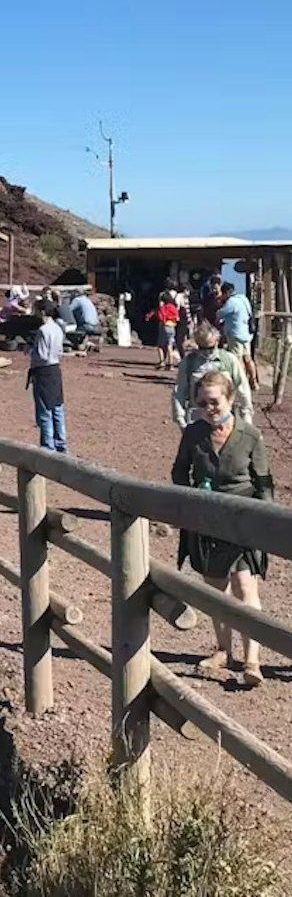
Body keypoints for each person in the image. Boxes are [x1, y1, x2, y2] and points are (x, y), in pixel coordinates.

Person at [170, 370, 273, 687]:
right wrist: (190, 502)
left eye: (214, 401)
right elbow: (179, 472)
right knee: (216, 589)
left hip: (243, 522)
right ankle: (223, 650)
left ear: (230, 399)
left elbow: (264, 483)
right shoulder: (193, 434)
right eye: (202, 403)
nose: (209, 408)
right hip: (207, 523)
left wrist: (264, 521)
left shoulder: (250, 435)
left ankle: (252, 660)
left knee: (244, 587)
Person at [172, 321, 253, 428]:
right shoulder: (188, 363)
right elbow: (179, 392)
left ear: (217, 342)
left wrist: (247, 417)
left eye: (210, 348)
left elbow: (243, 388)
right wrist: (180, 420)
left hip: (225, 419)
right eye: (202, 348)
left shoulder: (229, 360)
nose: (206, 352)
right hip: (197, 419)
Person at [27, 300, 67, 452]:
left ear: (42, 312)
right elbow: (60, 351)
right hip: (55, 370)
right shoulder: (58, 328)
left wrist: (30, 351)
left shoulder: (43, 330)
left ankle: (48, 446)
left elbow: (42, 355)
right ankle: (61, 443)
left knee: (44, 411)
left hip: (43, 372)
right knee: (57, 408)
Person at [217, 280, 259, 390]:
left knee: (237, 359)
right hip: (246, 333)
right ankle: (254, 381)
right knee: (248, 358)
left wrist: (220, 304)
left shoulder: (232, 302)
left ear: (226, 292)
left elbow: (220, 314)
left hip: (235, 334)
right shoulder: (243, 298)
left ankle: (241, 382)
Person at [145, 290, 180, 369]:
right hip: (172, 327)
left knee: (160, 345)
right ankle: (170, 364)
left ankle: (162, 362)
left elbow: (161, 316)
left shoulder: (164, 307)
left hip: (164, 326)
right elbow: (177, 317)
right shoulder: (173, 307)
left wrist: (161, 308)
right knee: (169, 345)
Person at [69, 289, 101, 353]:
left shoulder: (77, 300)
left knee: (71, 333)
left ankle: (81, 345)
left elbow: (68, 310)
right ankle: (88, 344)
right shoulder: (87, 300)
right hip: (96, 326)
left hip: (87, 326)